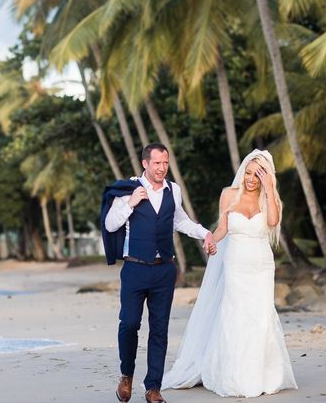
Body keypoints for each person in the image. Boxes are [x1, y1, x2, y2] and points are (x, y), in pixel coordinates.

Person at [162, 149, 297, 398]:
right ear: (242, 172)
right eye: (248, 173)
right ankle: (234, 373)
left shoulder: (270, 200)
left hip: (262, 265)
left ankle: (261, 373)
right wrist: (211, 239)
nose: (251, 179)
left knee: (261, 315)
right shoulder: (229, 195)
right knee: (236, 313)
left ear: (266, 177)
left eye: (257, 175)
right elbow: (222, 228)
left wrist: (269, 188)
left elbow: (273, 222)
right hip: (236, 263)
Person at [101, 143, 215, 403]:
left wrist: (204, 233)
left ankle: (153, 387)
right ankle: (126, 375)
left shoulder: (173, 190)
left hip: (164, 270)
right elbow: (110, 224)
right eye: (157, 163)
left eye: (165, 163)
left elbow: (180, 220)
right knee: (129, 323)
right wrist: (130, 203)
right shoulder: (128, 190)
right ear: (145, 164)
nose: (162, 168)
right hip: (135, 269)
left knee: (160, 330)